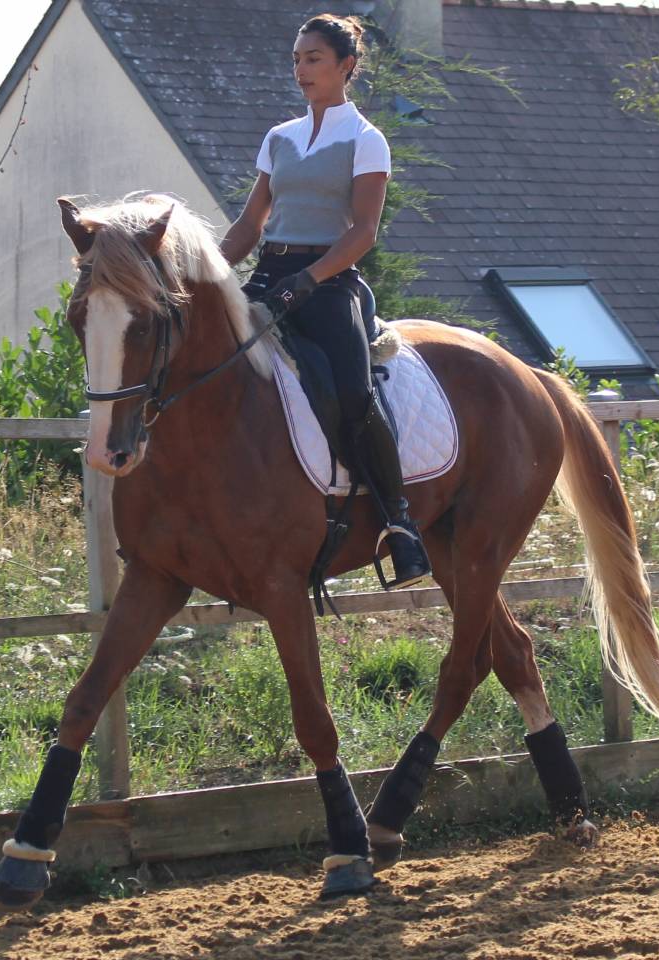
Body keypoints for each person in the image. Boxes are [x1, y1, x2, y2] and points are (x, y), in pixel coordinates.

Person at [219, 12, 431, 590]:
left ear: (346, 67)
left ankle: (399, 524)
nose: (301, 69)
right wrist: (206, 274)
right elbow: (246, 228)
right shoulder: (279, 138)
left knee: (355, 393)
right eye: (296, 59)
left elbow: (363, 232)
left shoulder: (367, 140)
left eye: (313, 58)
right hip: (269, 274)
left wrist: (309, 280)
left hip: (330, 282)